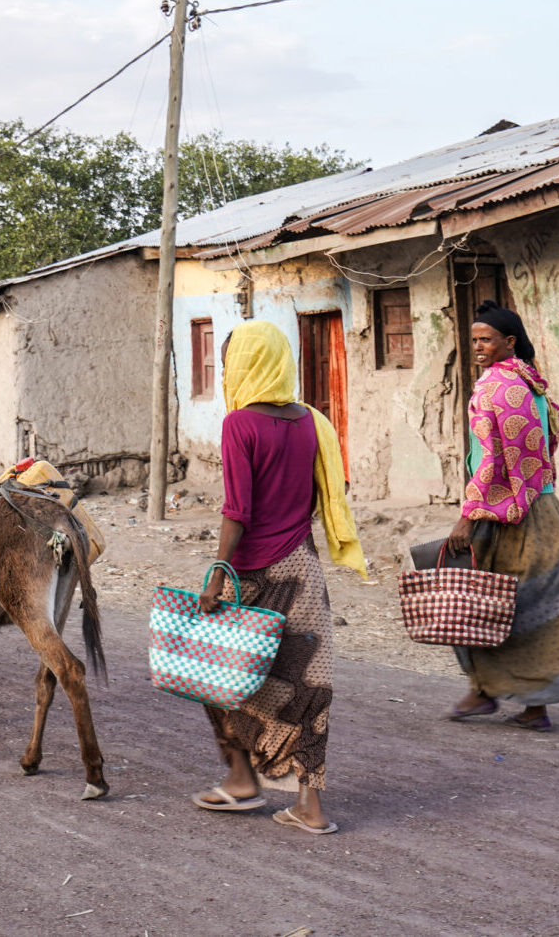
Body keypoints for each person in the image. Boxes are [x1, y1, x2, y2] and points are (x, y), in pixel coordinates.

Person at [192, 319, 367, 836]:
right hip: (305, 573)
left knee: (215, 675)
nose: (226, 374)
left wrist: (217, 573)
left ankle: (243, 778)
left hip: (254, 574)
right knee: (309, 690)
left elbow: (237, 510)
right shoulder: (312, 421)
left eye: (229, 364)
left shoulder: (239, 424)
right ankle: (310, 807)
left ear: (248, 366)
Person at [444, 300, 559, 732]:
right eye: (474, 340)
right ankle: (532, 706)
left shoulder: (493, 387)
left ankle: (483, 692)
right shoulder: (533, 384)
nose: (478, 347)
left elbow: (493, 460)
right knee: (535, 610)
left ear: (510, 341)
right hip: (546, 511)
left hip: (505, 516)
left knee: (478, 604)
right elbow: (553, 435)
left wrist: (468, 515)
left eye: (486, 339)